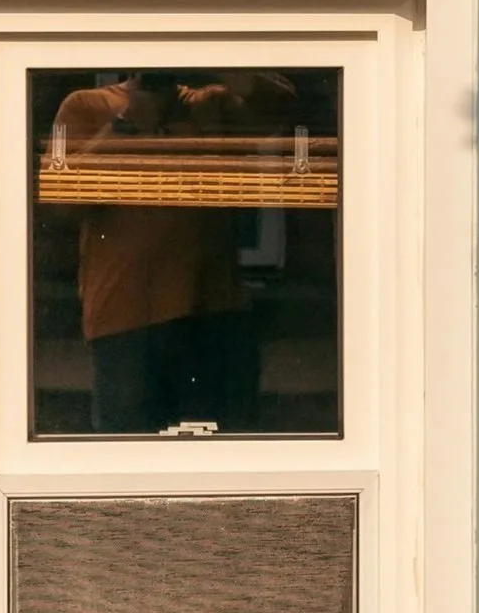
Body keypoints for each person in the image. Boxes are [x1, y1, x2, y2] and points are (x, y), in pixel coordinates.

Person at [46, 68, 296, 432]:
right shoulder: (88, 105)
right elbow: (61, 200)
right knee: (127, 457)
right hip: (125, 313)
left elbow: (282, 104)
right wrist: (125, 125)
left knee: (216, 459)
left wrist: (216, 54)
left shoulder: (210, 104)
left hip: (211, 307)